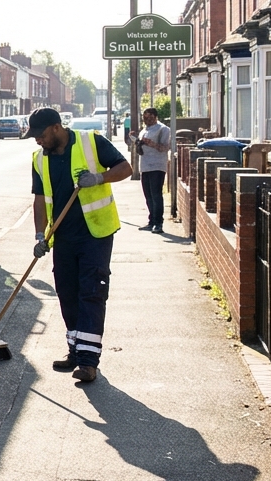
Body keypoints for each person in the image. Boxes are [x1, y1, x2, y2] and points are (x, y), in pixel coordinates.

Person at [28, 107, 133, 383]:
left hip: (95, 233)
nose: (37, 140)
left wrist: (99, 177)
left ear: (55, 127)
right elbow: (39, 199)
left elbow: (126, 168)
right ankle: (76, 350)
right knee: (67, 292)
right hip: (62, 236)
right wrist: (40, 235)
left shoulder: (91, 142)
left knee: (91, 291)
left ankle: (88, 362)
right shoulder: (39, 159)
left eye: (40, 134)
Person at [127, 107, 171, 233]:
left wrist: (152, 144)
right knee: (148, 196)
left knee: (156, 195)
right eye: (145, 118)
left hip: (157, 166)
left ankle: (158, 223)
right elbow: (141, 147)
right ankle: (151, 221)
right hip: (145, 166)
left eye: (150, 117)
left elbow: (165, 147)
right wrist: (135, 140)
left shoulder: (163, 129)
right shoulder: (144, 130)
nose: (147, 120)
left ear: (156, 117)